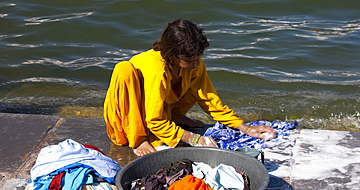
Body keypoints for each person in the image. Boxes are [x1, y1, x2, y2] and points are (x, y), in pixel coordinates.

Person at [104, 18, 275, 156]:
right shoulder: (156, 69)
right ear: (172, 54)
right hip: (130, 119)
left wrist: (244, 128)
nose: (195, 64)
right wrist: (193, 139)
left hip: (158, 111)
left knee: (196, 85)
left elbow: (209, 99)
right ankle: (139, 139)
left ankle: (173, 117)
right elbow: (154, 120)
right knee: (124, 69)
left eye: (198, 58)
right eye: (190, 60)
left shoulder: (193, 66)